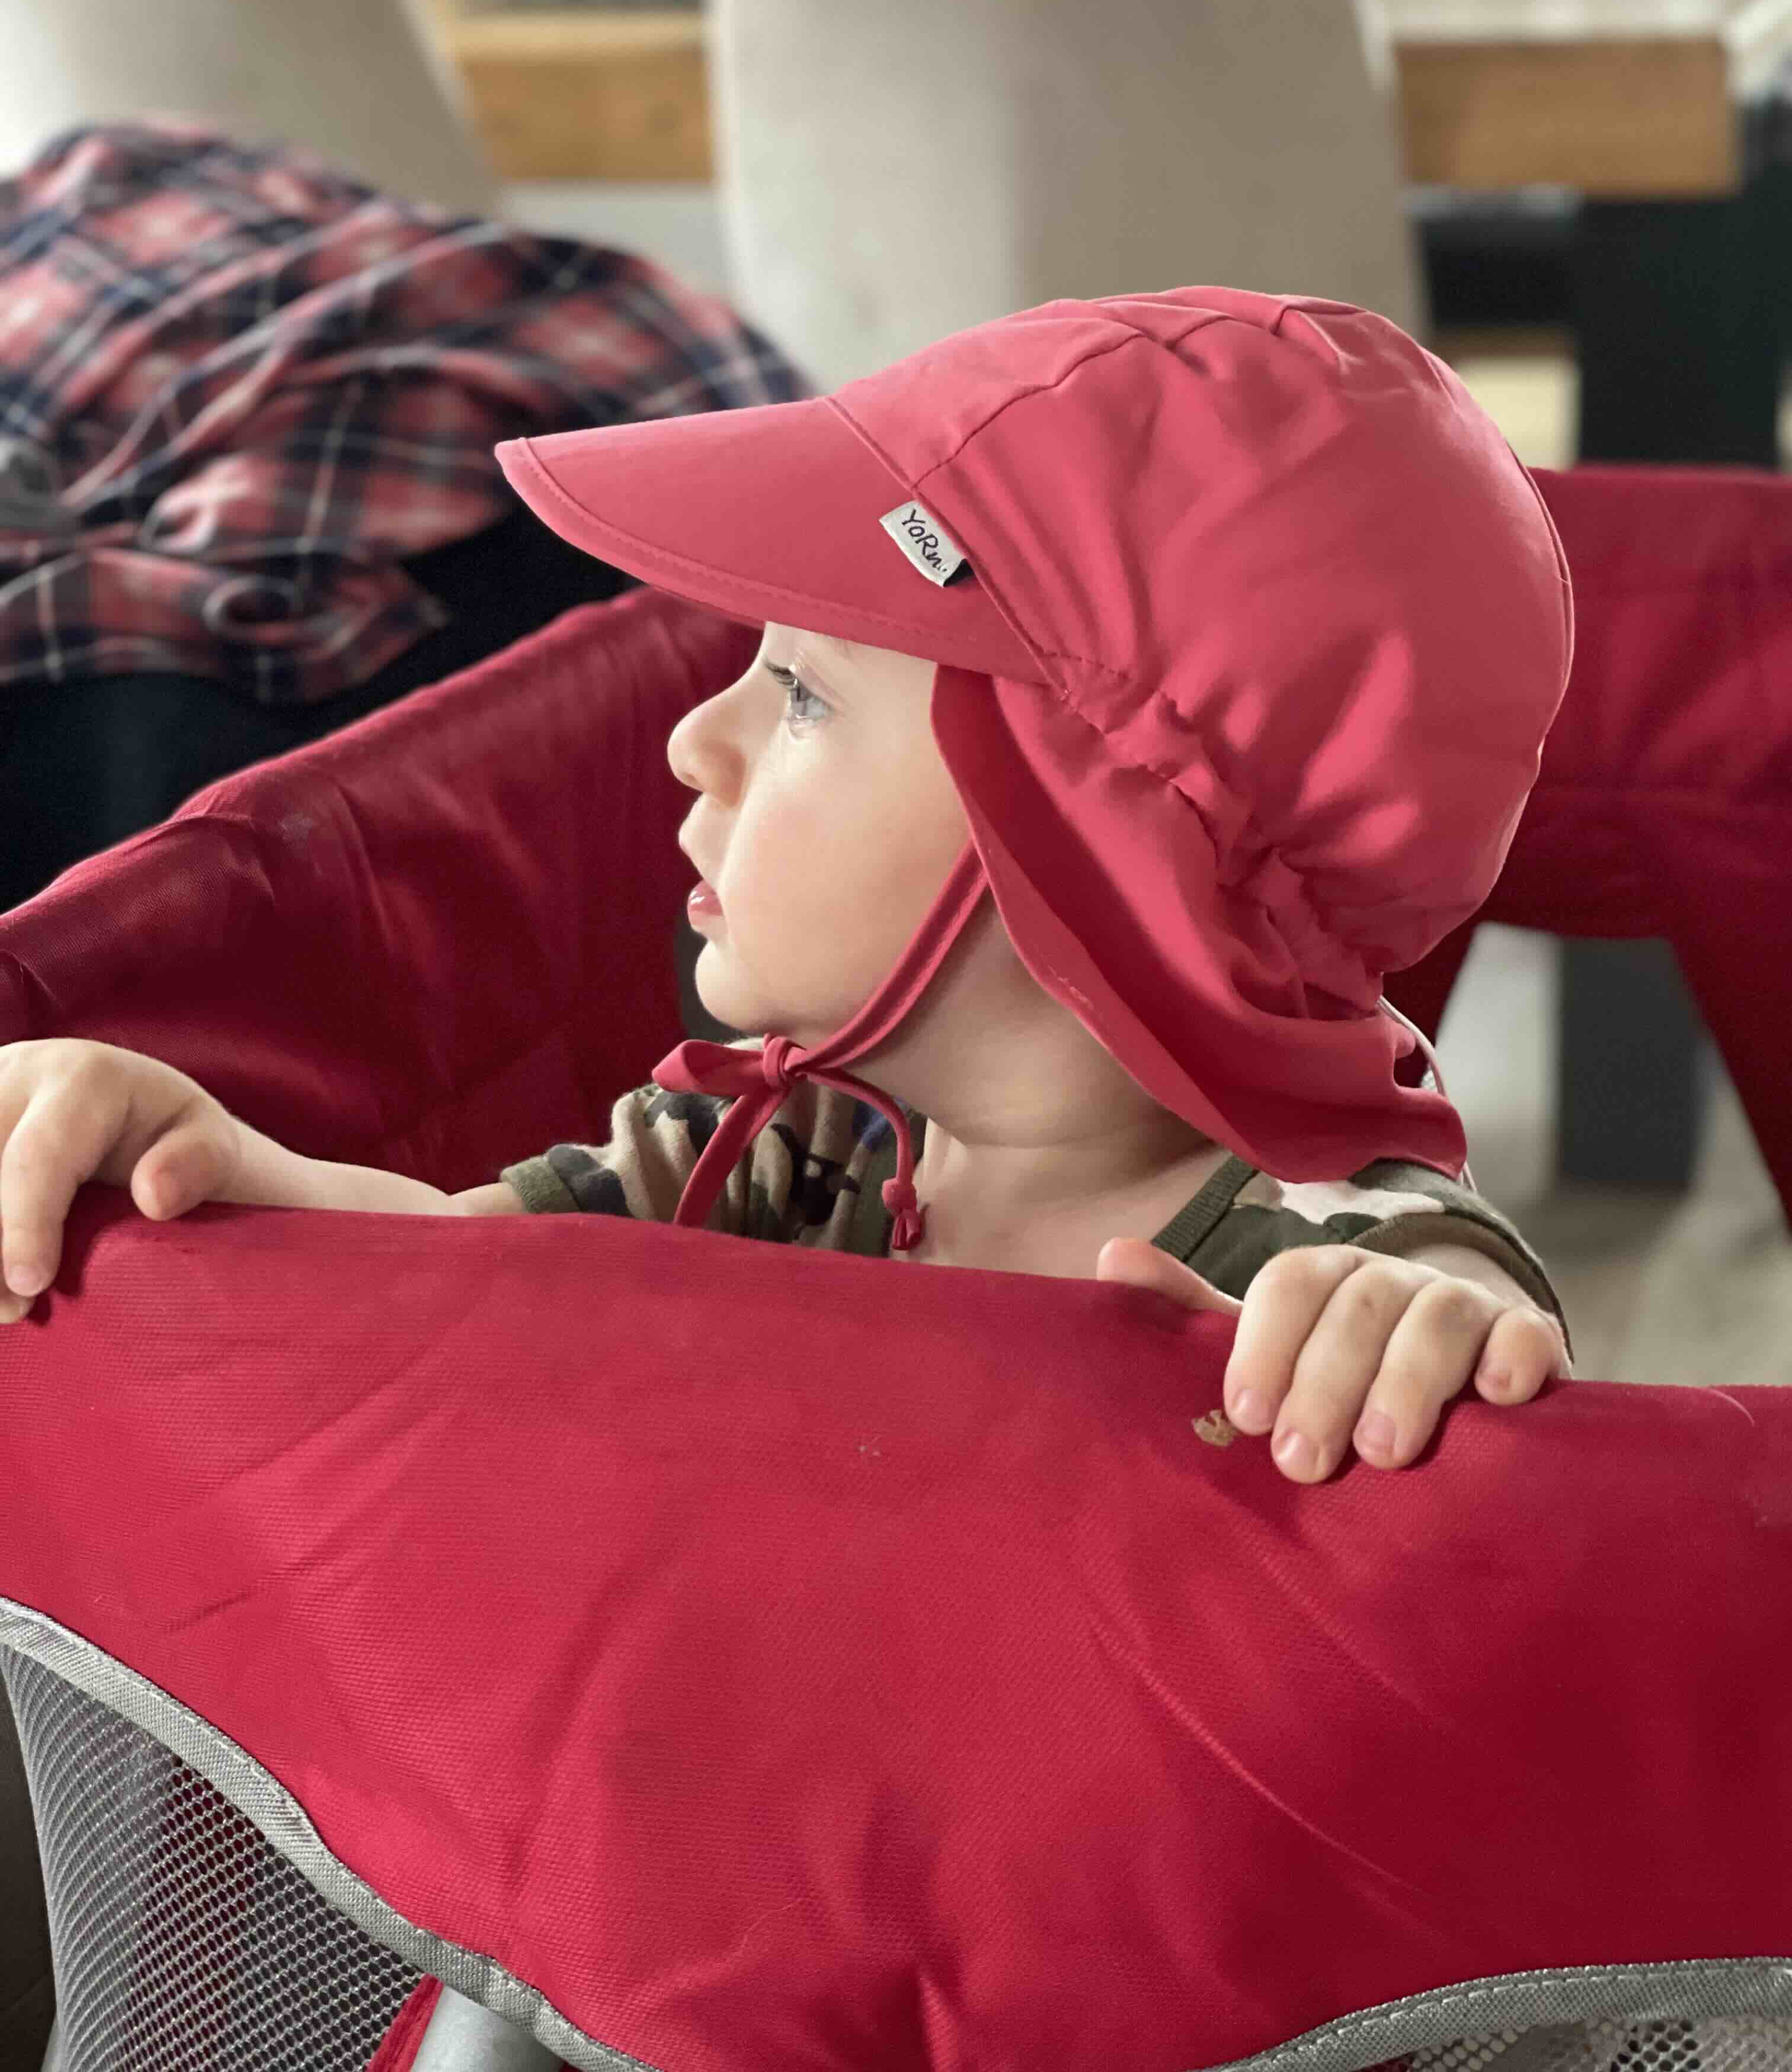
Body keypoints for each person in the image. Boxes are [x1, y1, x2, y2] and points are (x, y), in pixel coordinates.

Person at [0, 289, 1576, 1491]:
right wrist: (207, 1157)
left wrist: (1420, 1338)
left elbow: (1464, 1335)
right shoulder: (791, 1143)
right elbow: (445, 1276)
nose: (693, 740)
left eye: (804, 693)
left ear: (1091, 829)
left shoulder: (1329, 1244)